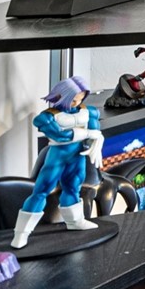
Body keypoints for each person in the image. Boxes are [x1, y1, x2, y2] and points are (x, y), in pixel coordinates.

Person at [14, 77, 103, 249]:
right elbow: (60, 136)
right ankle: (22, 233)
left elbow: (96, 131)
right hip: (57, 156)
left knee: (74, 187)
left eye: (80, 99)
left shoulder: (88, 111)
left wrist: (98, 142)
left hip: (77, 156)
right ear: (62, 96)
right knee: (41, 190)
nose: (77, 103)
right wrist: (89, 134)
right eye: (74, 100)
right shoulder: (47, 117)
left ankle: (75, 221)